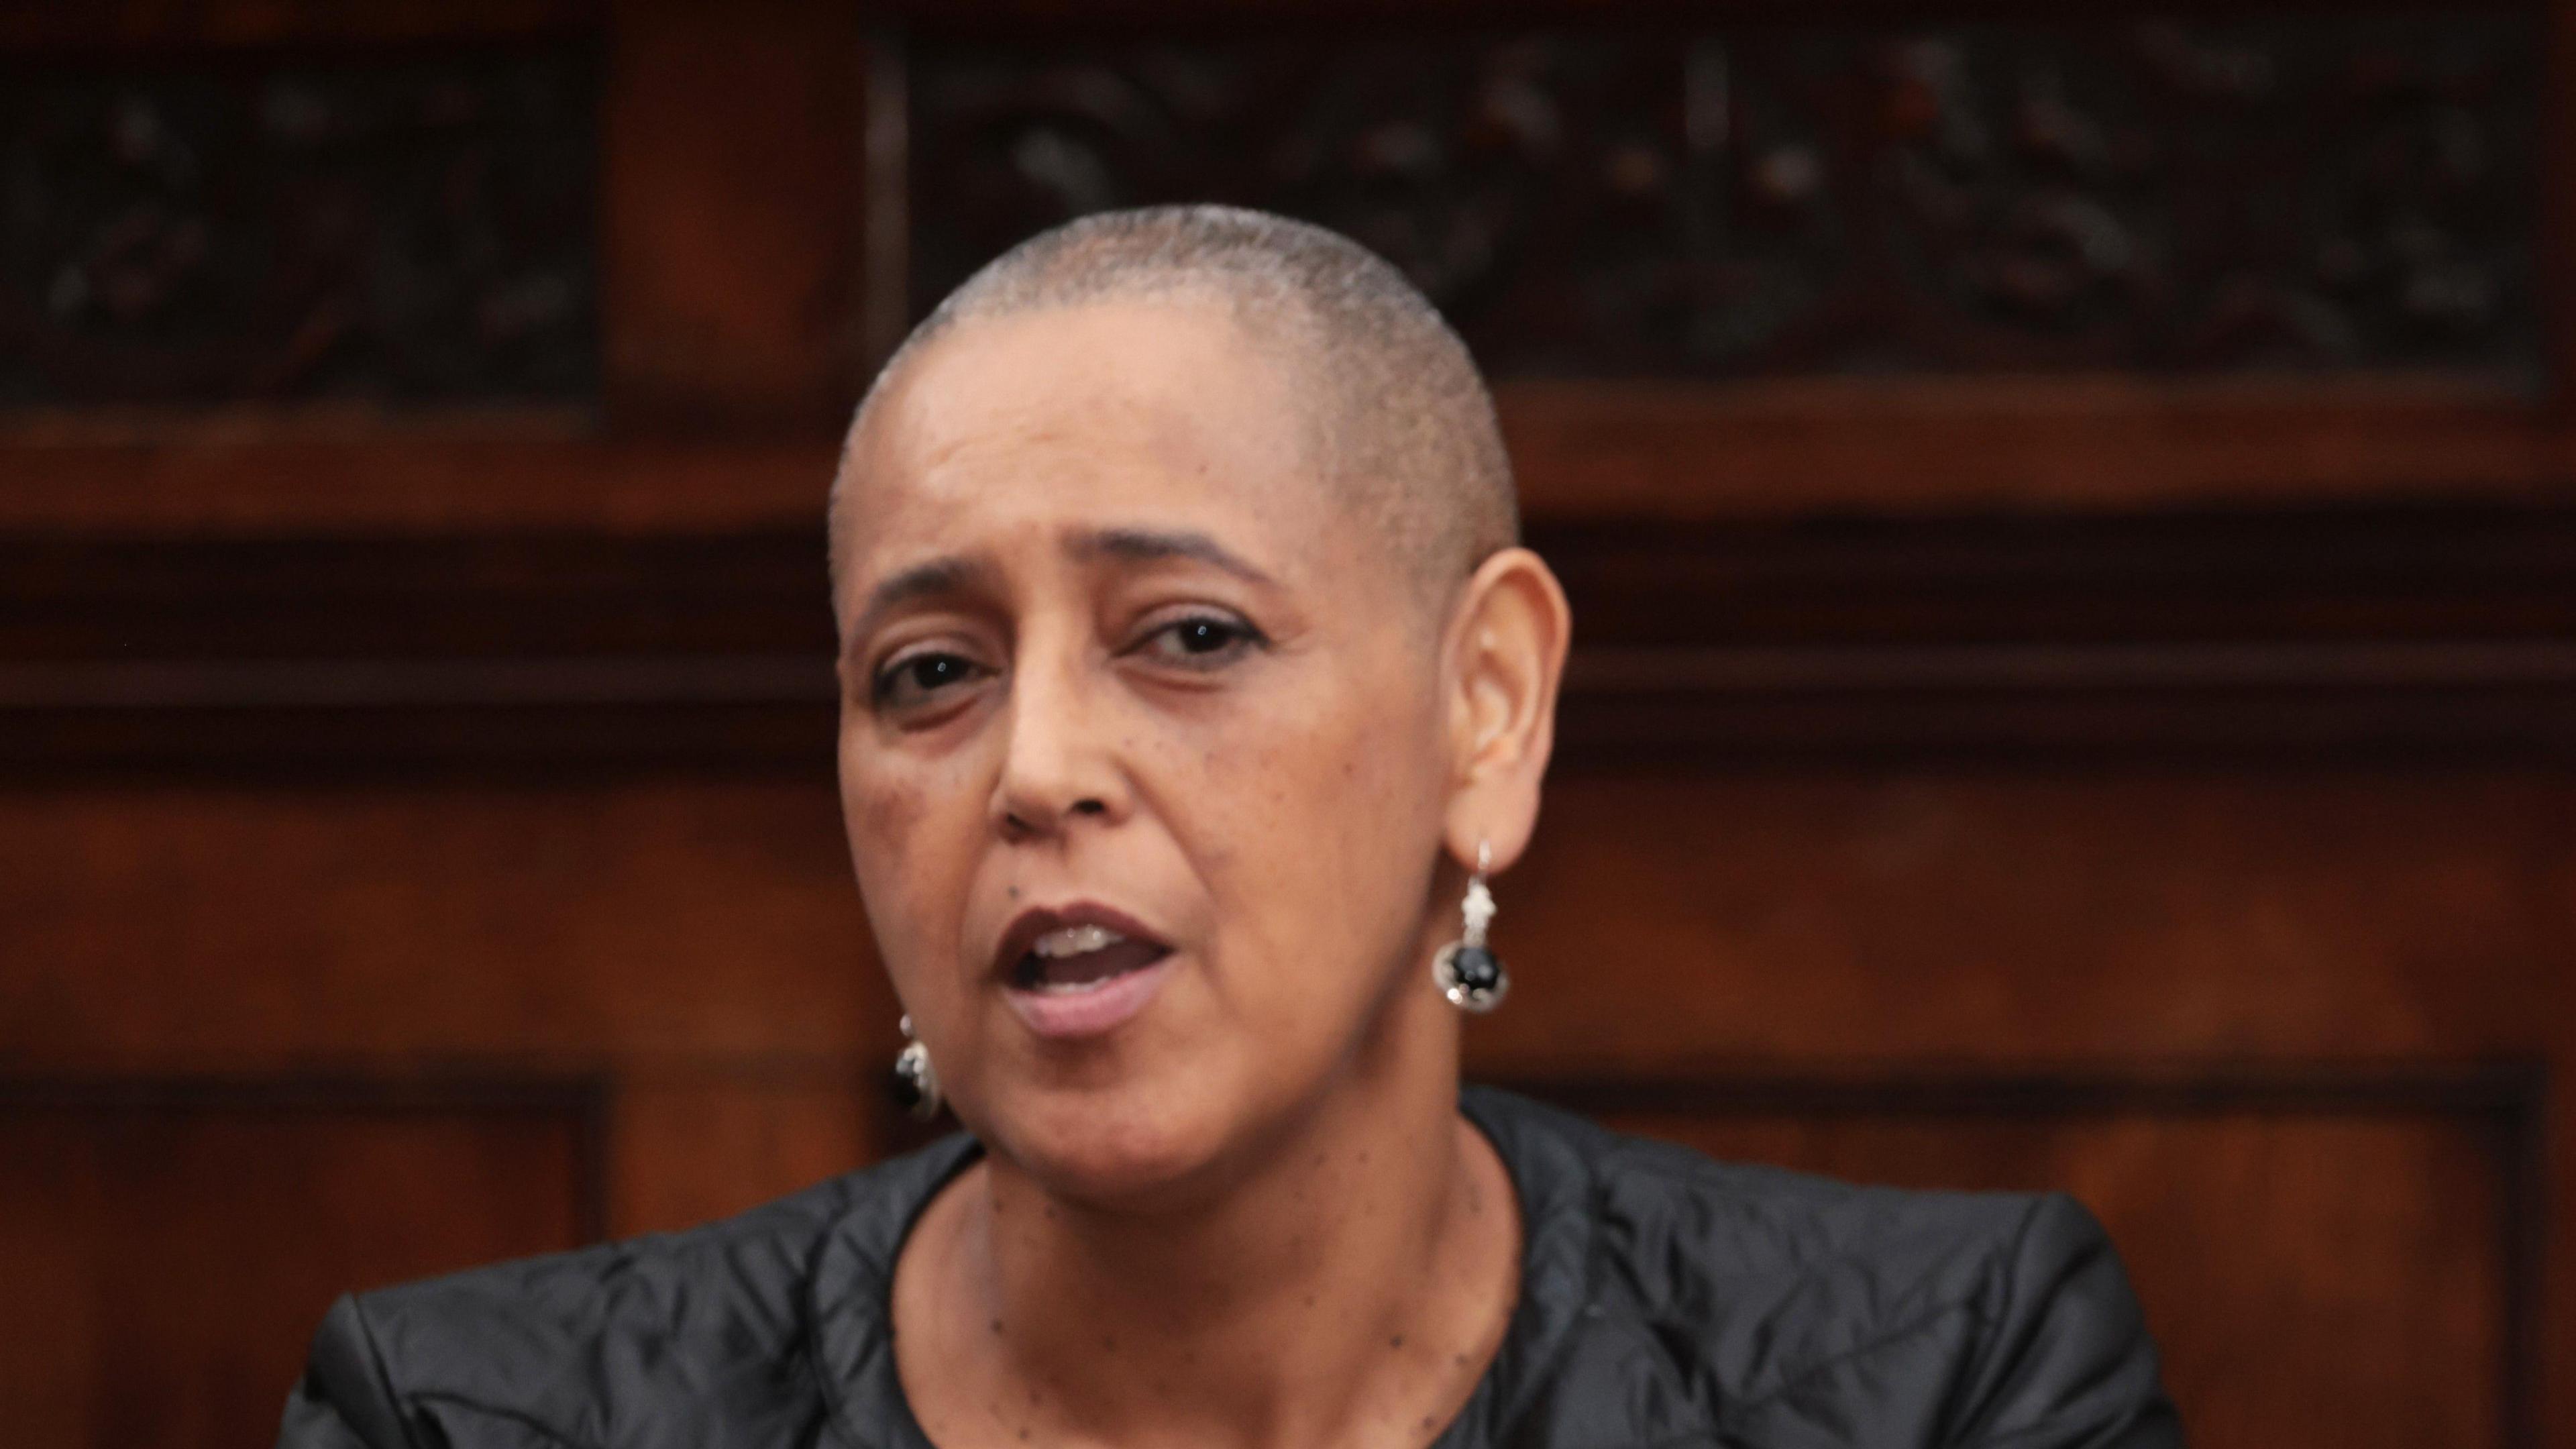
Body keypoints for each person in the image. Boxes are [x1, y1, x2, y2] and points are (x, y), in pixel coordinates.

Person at [276, 205, 2182, 1449]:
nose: (1033, 771)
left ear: (1485, 708)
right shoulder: (465, 1423)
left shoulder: (1945, 1381)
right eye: (930, 675)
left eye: (1186, 637)